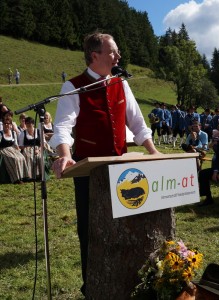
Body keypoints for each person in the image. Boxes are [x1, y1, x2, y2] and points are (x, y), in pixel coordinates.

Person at [49, 32, 160, 296]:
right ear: (94, 55)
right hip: (90, 173)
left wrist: (154, 152)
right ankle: (93, 287)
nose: (118, 56)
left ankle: (129, 282)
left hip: (123, 170)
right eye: (113, 52)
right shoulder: (73, 86)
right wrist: (65, 153)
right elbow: (63, 126)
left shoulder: (121, 82)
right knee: (91, 231)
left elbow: (137, 123)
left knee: (127, 226)